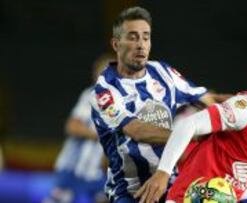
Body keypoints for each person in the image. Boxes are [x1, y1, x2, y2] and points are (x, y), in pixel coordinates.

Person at [90, 6, 229, 203]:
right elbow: (136, 130)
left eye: (145, 37)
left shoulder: (162, 72)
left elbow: (207, 99)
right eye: (132, 37)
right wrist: (188, 136)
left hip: (170, 184)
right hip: (130, 192)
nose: (141, 45)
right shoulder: (104, 90)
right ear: (116, 44)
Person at [135, 45, 247, 203]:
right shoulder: (245, 108)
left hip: (231, 195)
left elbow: (243, 164)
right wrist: (163, 172)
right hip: (192, 195)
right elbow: (188, 125)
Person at [43, 54, 114, 203]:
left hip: (96, 173)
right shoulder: (91, 95)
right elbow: (72, 126)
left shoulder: (122, 102)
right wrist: (101, 135)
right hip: (73, 168)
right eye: (102, 72)